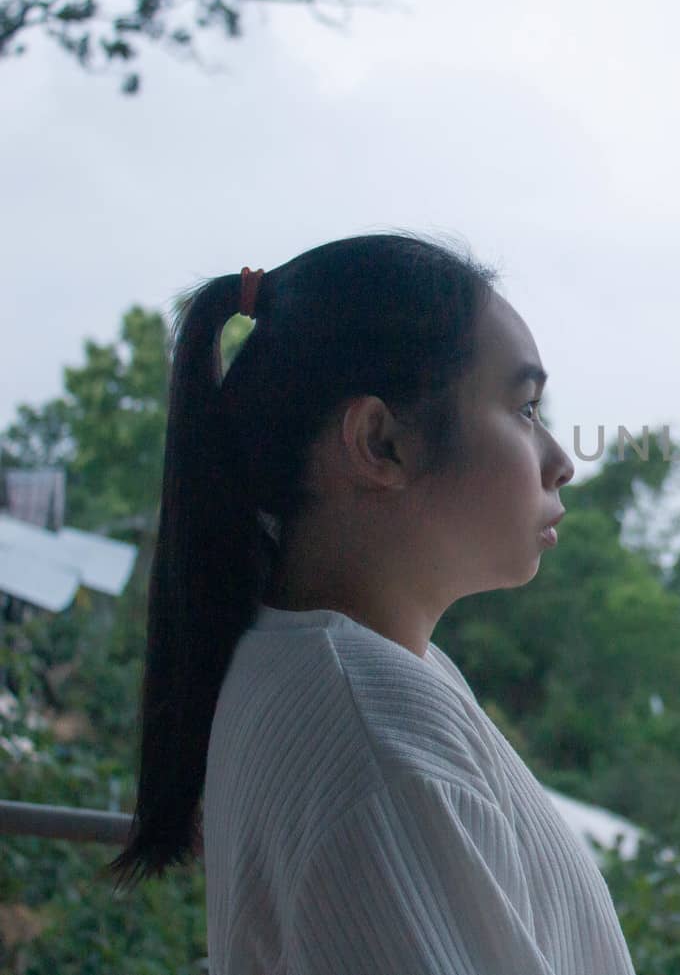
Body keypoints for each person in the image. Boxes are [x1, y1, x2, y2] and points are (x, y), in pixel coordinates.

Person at [100, 233, 636, 974]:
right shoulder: (376, 733)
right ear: (379, 442)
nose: (561, 460)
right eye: (524, 407)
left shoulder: (335, 664)